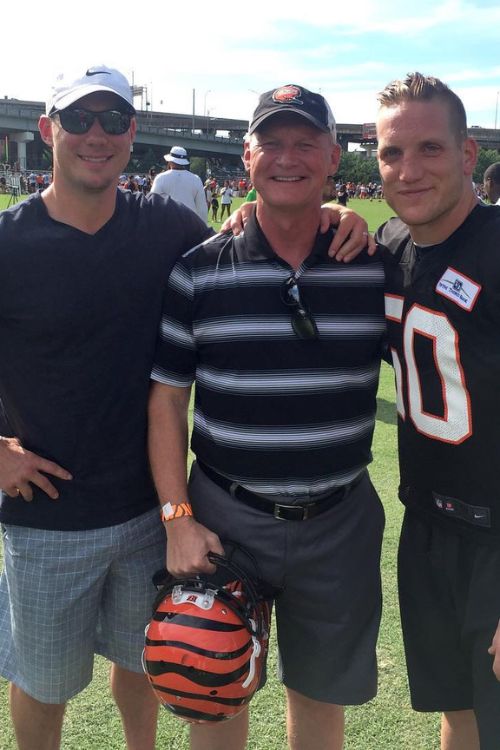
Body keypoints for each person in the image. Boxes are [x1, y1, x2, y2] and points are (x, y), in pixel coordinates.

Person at [147, 83, 386, 750]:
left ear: (334, 157)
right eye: (272, 143)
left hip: (339, 519)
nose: (288, 157)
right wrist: (177, 519)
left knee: (318, 704)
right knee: (212, 700)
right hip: (225, 515)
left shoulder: (371, 265)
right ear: (246, 158)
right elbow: (167, 401)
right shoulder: (196, 270)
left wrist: (352, 217)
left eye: (305, 142)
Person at [0, 64, 213, 750]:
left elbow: (249, 243)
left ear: (132, 134)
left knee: (141, 662)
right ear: (47, 130)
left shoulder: (168, 228)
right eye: (79, 119)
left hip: (148, 508)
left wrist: (327, 213)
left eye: (114, 120)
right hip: (44, 515)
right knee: (43, 681)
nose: (97, 134)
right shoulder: (8, 241)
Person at [375, 72, 500, 750]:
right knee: (459, 715)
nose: (408, 169)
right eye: (392, 153)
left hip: (496, 542)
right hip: (425, 526)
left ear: (467, 153)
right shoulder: (388, 246)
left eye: (429, 148)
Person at [150, 145, 208, 223]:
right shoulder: (196, 179)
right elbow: (202, 210)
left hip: (167, 225)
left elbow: (153, 204)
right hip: (190, 226)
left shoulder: (160, 178)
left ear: (170, 161)